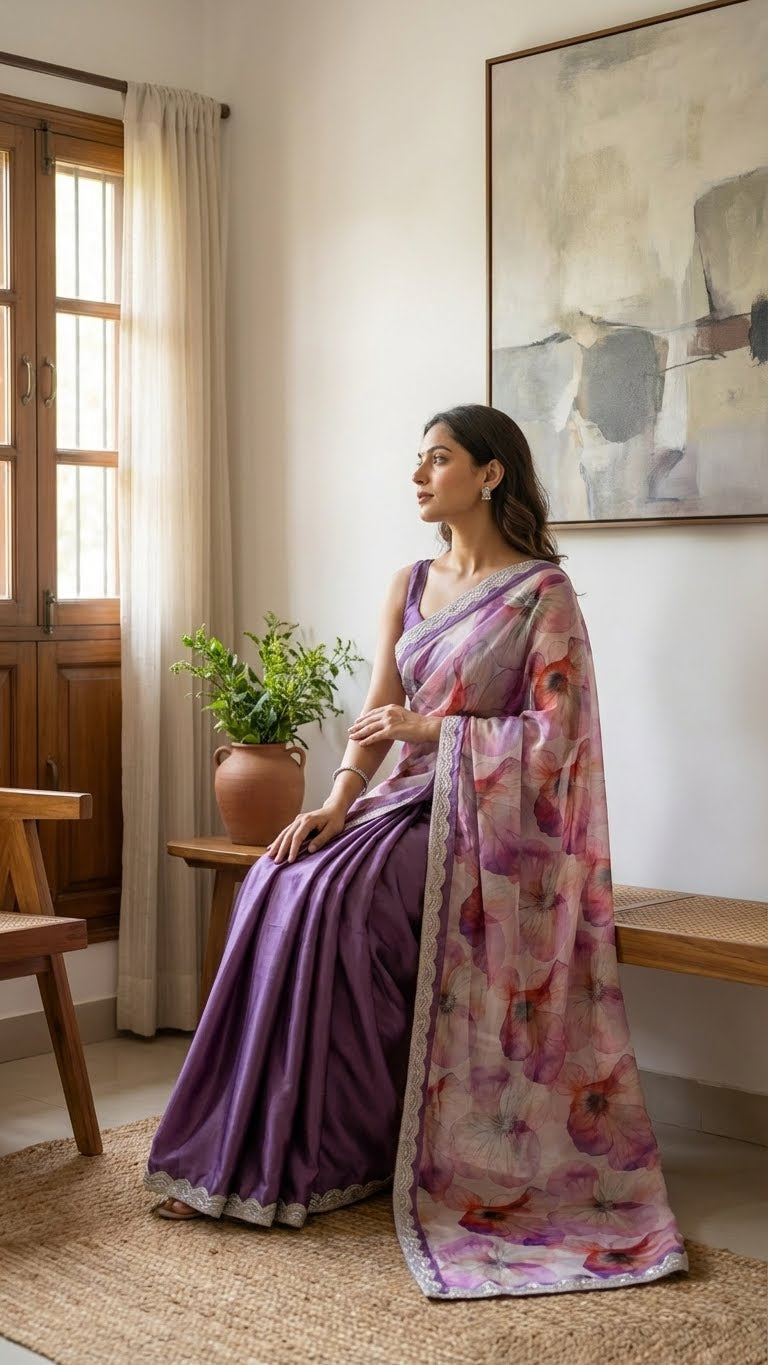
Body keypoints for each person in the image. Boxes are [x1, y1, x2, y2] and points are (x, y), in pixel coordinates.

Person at [145, 404, 688, 1300]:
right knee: (281, 879)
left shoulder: (541, 592)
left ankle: (333, 1149)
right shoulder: (407, 580)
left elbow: (560, 738)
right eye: (418, 459)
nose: (418, 475)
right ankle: (253, 1145)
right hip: (400, 800)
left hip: (493, 825)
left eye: (438, 459)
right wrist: (331, 802)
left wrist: (432, 728)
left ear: (490, 474)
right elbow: (374, 715)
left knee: (341, 906)